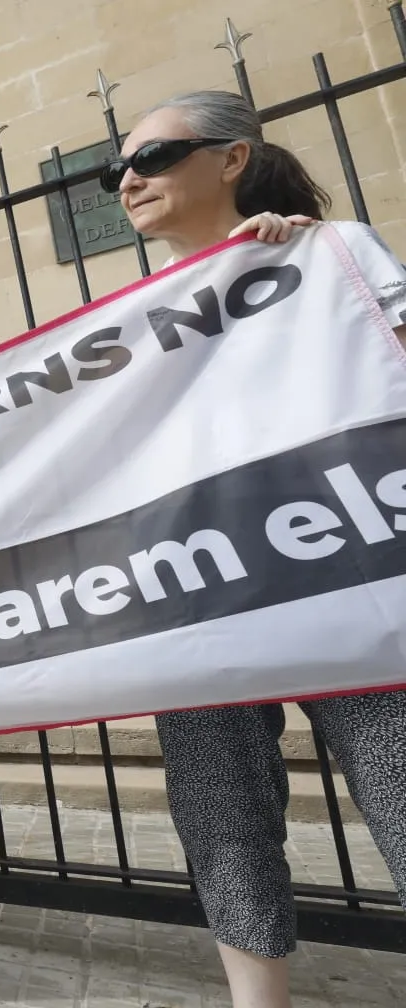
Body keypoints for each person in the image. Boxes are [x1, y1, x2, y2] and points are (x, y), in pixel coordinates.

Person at [109, 89, 406, 1008]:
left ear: (232, 159)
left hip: (339, 563)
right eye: (117, 167)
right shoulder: (117, 318)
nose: (129, 180)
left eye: (153, 157)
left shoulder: (330, 252)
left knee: (397, 777)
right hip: (198, 584)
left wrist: (299, 263)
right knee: (220, 807)